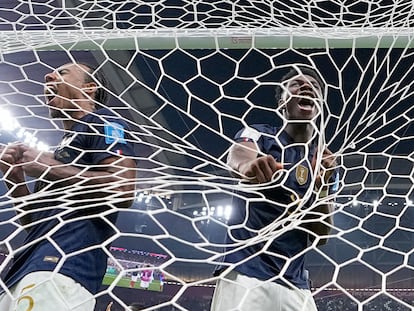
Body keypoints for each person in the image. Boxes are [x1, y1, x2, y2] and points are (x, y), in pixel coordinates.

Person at [0, 62, 137, 310]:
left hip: (62, 270)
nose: (48, 75)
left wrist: (46, 167)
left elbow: (123, 187)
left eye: (62, 72)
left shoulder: (104, 122)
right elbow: (32, 222)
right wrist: (14, 176)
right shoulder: (62, 149)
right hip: (24, 269)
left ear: (89, 88)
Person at [211, 65, 338, 311]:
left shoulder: (324, 160)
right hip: (246, 274)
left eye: (314, 84)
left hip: (296, 284)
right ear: (282, 102)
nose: (306, 86)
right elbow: (237, 154)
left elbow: (320, 235)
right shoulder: (260, 135)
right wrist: (249, 166)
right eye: (296, 84)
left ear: (320, 104)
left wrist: (321, 187)